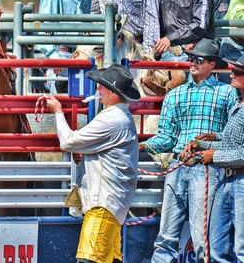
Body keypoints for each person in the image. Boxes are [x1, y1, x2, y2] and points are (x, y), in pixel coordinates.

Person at [139, 39, 238, 262]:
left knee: (201, 233)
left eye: (198, 59)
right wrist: (144, 146)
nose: (192, 62)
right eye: (191, 58)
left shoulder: (227, 94)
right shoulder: (175, 95)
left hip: (207, 166)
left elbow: (231, 136)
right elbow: (167, 137)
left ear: (212, 65)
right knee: (167, 232)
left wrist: (211, 142)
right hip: (178, 165)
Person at [42, 64, 140, 263]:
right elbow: (104, 150)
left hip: (103, 203)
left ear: (113, 92)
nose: (98, 89)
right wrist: (85, 155)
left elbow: (68, 141)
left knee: (88, 260)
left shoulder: (111, 119)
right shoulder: (121, 117)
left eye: (102, 86)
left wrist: (58, 112)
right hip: (112, 203)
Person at [181, 53, 244, 262]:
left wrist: (213, 154)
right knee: (217, 247)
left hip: (239, 181)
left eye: (237, 72)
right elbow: (228, 142)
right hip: (229, 179)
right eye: (232, 71)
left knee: (240, 247)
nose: (231, 74)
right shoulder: (237, 104)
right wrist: (202, 145)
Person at [38, 0, 102, 93]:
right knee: (63, 93)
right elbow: (43, 31)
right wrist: (54, 57)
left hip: (87, 53)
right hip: (61, 53)